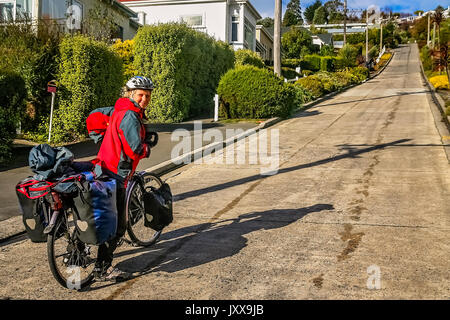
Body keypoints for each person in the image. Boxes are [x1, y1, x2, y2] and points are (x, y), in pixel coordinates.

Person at [91, 76, 155, 282]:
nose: (144, 99)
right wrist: (146, 148)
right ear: (131, 94)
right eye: (140, 95)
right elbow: (133, 147)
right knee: (117, 223)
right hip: (116, 172)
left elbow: (93, 118)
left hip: (102, 166)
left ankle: (81, 253)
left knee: (101, 213)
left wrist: (102, 139)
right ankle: (103, 269)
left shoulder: (118, 109)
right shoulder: (130, 115)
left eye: (147, 95)